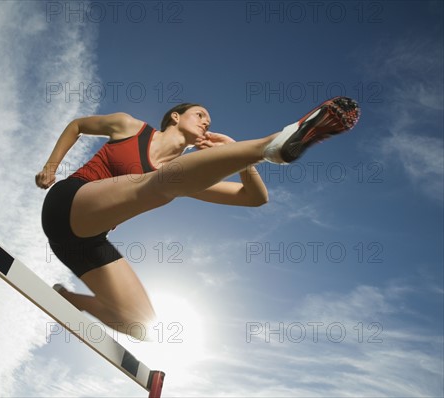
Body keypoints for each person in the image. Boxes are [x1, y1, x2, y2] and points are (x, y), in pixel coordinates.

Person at [36, 97, 360, 340]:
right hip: (67, 204)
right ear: (175, 117)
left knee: (142, 325)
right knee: (161, 183)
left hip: (84, 242)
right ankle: (270, 145)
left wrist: (238, 156)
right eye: (200, 114)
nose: (206, 122)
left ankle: (67, 297)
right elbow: (78, 125)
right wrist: (52, 166)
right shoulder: (129, 127)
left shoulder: (185, 176)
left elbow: (254, 199)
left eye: (208, 119)